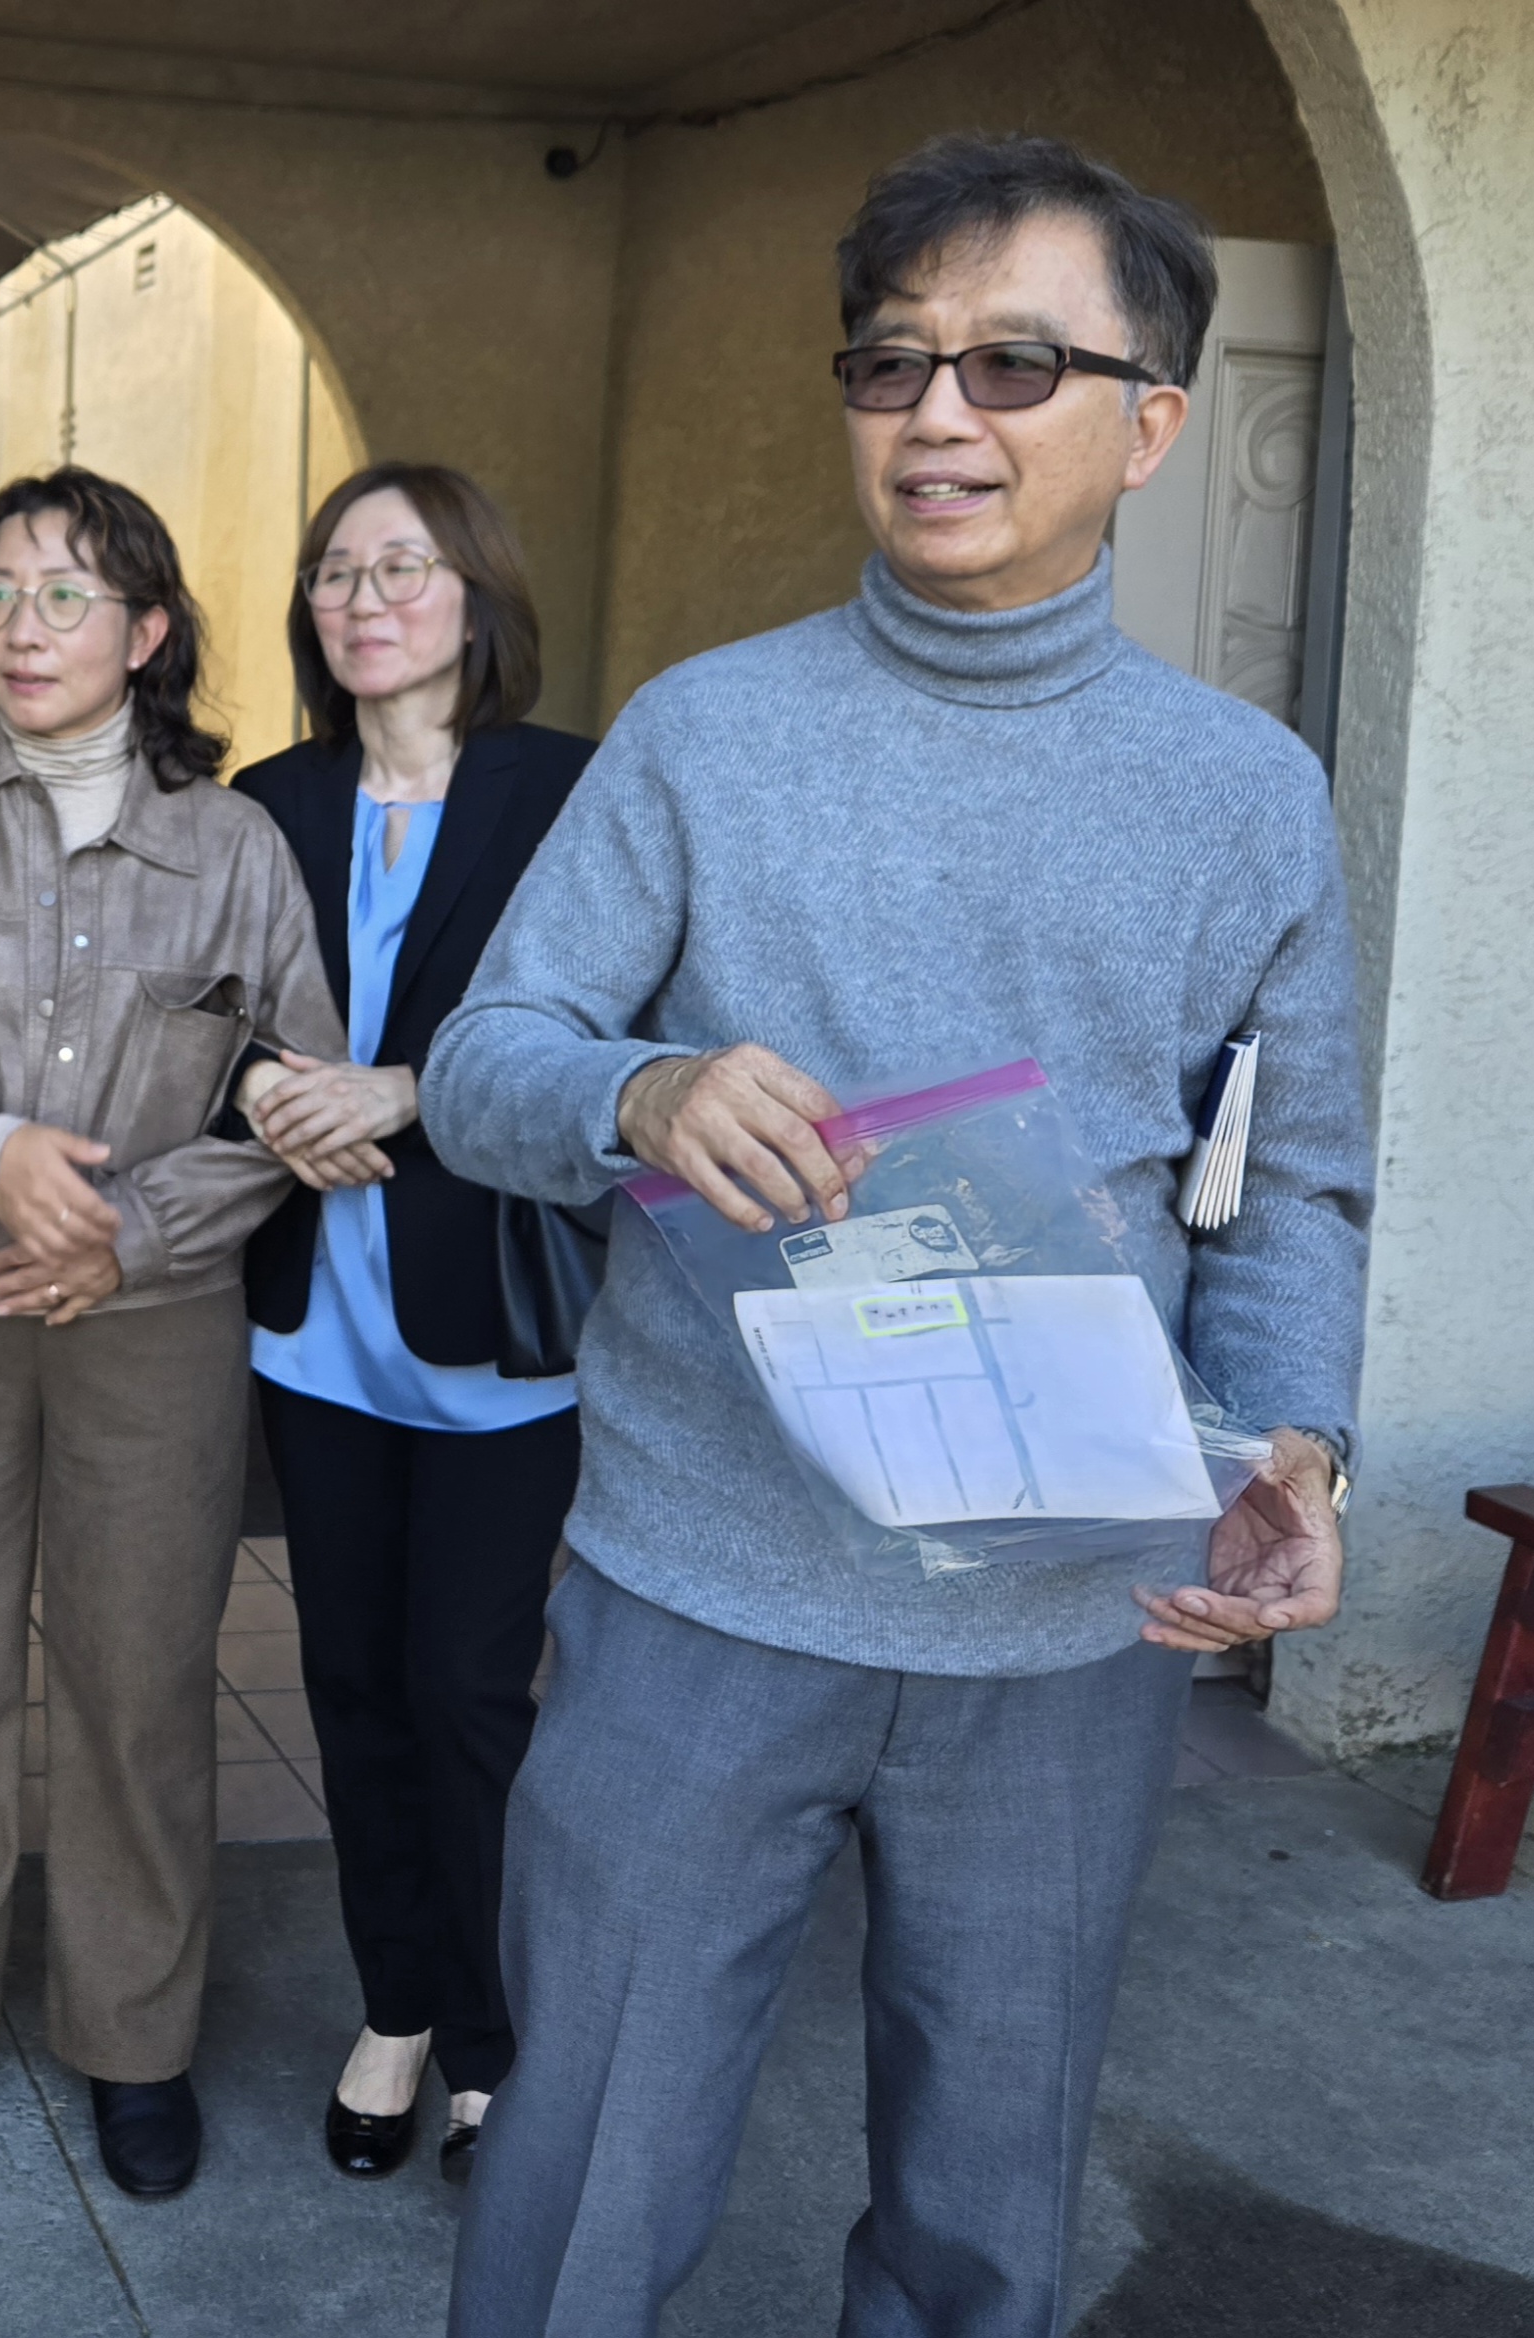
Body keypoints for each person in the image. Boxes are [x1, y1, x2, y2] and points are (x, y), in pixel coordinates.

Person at [421, 135, 1372, 2334]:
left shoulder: (1247, 793)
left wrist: (1296, 1446)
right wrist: (637, 1090)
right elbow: (482, 1061)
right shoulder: (703, 733)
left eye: (1014, 364)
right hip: (701, 1586)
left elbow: (1287, 1181)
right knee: (583, 2169)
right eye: (892, 362)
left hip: (1071, 1618)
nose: (938, 413)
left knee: (984, 2201)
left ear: (1151, 423)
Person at [0, 467, 341, 2200]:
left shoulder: (233, 847)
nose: (22, 628)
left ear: (147, 631)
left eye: (67, 596)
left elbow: (296, 1093)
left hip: (152, 1326)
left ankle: (135, 2038)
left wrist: (127, 1228)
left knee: (139, 1678)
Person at [225, 463, 589, 2186]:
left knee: (466, 1689)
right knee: (353, 1683)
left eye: (402, 566)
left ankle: (493, 2037)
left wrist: (409, 1092)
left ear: (475, 594)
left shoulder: (568, 794)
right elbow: (195, 1010)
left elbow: (613, 1035)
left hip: (491, 1330)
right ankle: (394, 2004)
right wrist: (260, 1086)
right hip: (314, 1328)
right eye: (334, 571)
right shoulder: (266, 801)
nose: (362, 598)